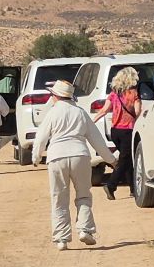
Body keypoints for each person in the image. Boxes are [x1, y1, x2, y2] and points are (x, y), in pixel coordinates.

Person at [32, 80, 113, 250]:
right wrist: (110, 159)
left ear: (55, 96)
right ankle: (85, 230)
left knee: (59, 199)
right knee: (83, 195)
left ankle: (61, 239)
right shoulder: (80, 112)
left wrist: (36, 157)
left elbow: (40, 138)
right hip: (80, 155)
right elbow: (96, 139)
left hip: (56, 157)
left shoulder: (52, 113)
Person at [93, 68, 141, 200]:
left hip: (115, 131)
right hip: (128, 131)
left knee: (128, 160)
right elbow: (137, 112)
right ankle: (111, 185)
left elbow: (104, 110)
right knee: (125, 160)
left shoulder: (114, 94)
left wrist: (91, 122)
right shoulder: (134, 94)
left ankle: (133, 189)